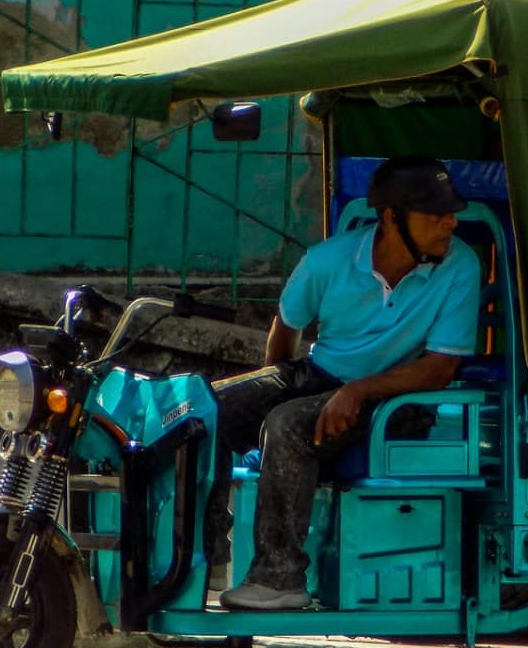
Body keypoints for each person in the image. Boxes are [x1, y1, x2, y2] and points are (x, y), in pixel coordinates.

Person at [204, 156, 481, 611]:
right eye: (436, 214)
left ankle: (280, 579)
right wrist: (276, 383)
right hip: (321, 375)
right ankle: (204, 556)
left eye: (451, 212)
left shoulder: (460, 266)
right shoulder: (328, 261)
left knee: (288, 423)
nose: (451, 223)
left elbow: (439, 368)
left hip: (399, 400)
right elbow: (286, 328)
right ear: (392, 218)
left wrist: (356, 392)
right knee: (206, 408)